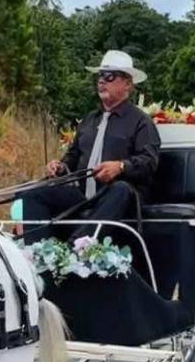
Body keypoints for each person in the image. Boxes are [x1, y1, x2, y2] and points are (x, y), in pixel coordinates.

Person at [21, 50, 159, 238]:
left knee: (121, 188)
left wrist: (120, 167)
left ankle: (78, 249)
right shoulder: (89, 120)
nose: (102, 81)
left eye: (109, 76)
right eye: (100, 76)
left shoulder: (141, 122)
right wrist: (60, 166)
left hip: (118, 201)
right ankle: (37, 254)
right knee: (33, 192)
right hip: (83, 197)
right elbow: (73, 156)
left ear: (127, 84)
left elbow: (149, 161)